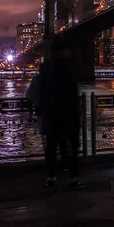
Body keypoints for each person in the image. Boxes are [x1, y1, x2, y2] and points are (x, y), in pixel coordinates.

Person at [39, 39, 85, 189]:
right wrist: (79, 110)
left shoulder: (45, 67)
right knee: (73, 146)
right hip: (69, 112)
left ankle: (51, 177)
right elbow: (73, 91)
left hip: (51, 113)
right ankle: (73, 178)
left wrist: (44, 111)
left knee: (52, 146)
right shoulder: (71, 67)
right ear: (64, 50)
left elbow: (42, 92)